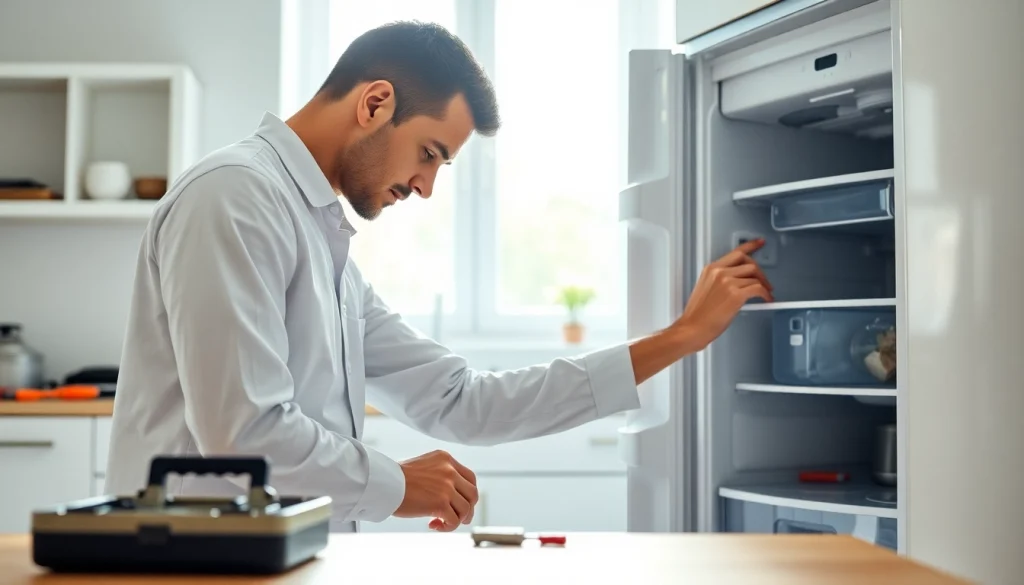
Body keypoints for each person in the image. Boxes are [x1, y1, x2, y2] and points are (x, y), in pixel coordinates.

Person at [105, 21, 772, 533]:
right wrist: (399, 484)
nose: (425, 186)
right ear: (374, 103)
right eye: (429, 153)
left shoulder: (324, 247)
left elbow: (464, 400)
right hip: (197, 561)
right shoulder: (235, 198)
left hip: (273, 556)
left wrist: (681, 337)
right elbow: (244, 433)